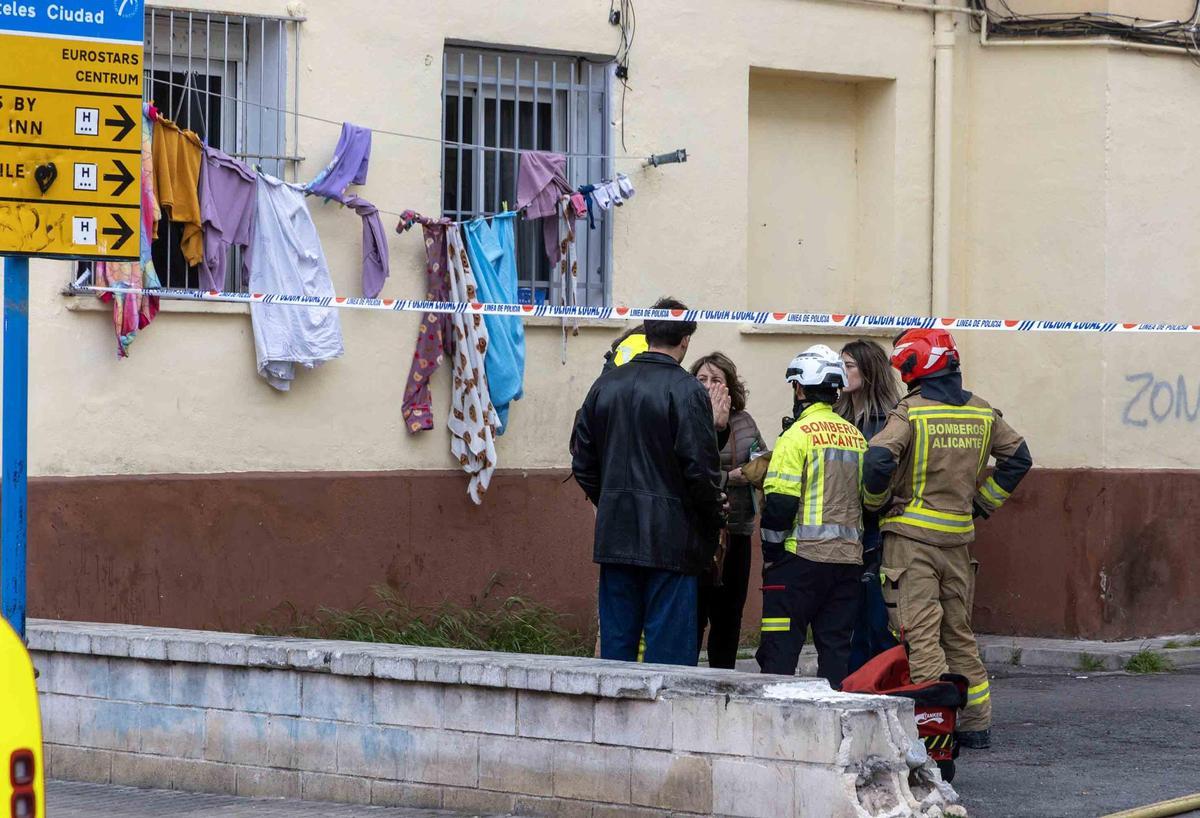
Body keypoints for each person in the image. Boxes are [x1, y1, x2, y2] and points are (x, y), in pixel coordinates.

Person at [863, 328, 1032, 750]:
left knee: (921, 635)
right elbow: (1019, 458)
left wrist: (876, 502)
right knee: (958, 633)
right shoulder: (981, 412)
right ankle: (976, 722)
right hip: (958, 541)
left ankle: (939, 728)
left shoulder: (911, 413)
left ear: (913, 367)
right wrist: (980, 504)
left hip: (911, 543)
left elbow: (879, 458)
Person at [571, 297, 726, 666]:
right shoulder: (688, 391)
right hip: (672, 541)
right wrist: (712, 518)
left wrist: (609, 498)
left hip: (616, 534)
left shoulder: (605, 386)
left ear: (646, 332)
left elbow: (582, 459)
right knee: (668, 661)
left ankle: (614, 721)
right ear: (686, 340)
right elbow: (700, 470)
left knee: (617, 653)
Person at [757, 344, 867, 687]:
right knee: (835, 651)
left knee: (779, 651)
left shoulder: (796, 436)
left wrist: (772, 555)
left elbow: (779, 505)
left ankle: (775, 729)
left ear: (800, 388)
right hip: (848, 562)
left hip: (799, 560)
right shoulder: (856, 437)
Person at [691, 352, 764, 669]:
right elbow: (686, 468)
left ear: (730, 387)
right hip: (696, 533)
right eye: (702, 379)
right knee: (693, 614)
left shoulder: (745, 421)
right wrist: (727, 477)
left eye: (716, 379)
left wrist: (756, 469)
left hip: (737, 530)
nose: (709, 386)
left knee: (729, 614)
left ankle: (724, 679)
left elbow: (759, 457)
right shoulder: (686, 417)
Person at [835, 340, 902, 674]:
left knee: (877, 619)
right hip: (844, 530)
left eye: (848, 365)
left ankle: (879, 683)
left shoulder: (890, 418)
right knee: (846, 619)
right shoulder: (837, 415)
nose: (841, 371)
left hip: (879, 532)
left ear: (870, 370)